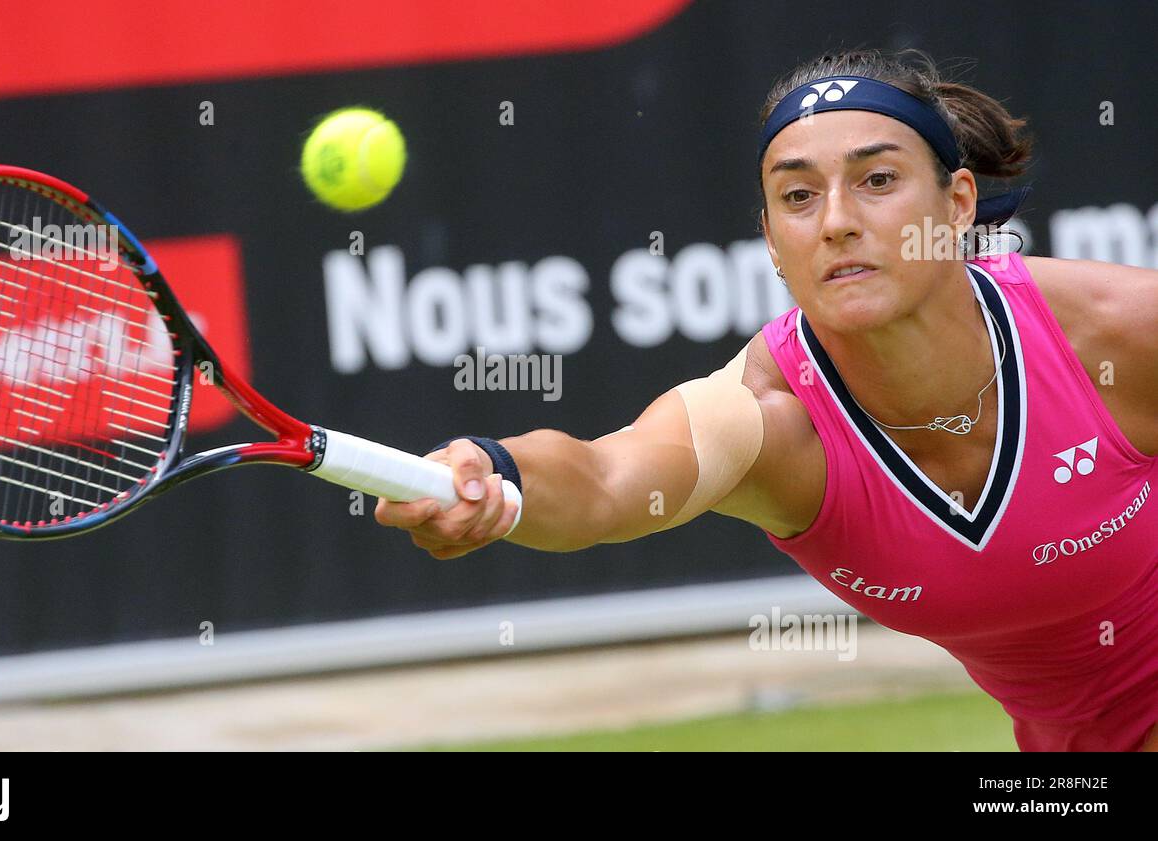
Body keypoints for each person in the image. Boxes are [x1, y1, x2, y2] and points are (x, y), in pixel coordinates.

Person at [374, 48, 1158, 751]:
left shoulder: (1118, 335)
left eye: (877, 180)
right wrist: (495, 476)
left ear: (956, 204)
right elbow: (608, 479)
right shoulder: (775, 423)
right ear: (772, 238)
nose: (838, 223)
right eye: (798, 197)